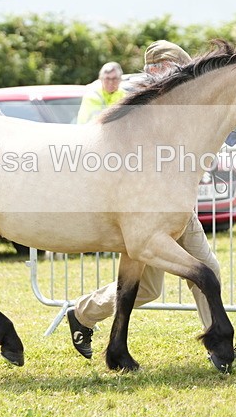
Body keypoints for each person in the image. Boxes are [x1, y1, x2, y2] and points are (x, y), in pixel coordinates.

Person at [67, 40, 224, 360]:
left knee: (207, 269)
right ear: (157, 69)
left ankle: (218, 346)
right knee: (149, 289)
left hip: (177, 208)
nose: (181, 76)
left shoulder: (181, 105)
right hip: (146, 214)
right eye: (175, 69)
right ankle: (82, 313)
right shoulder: (138, 104)